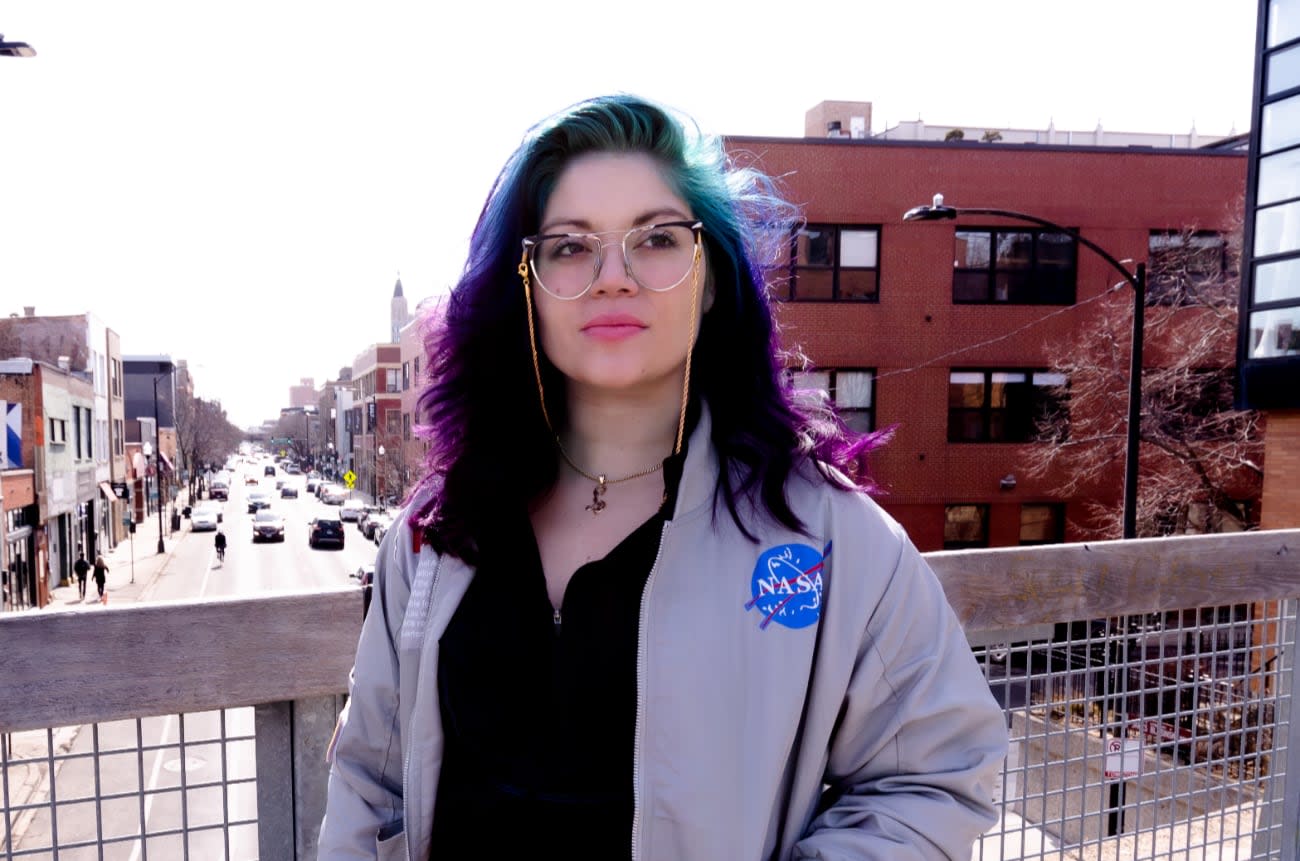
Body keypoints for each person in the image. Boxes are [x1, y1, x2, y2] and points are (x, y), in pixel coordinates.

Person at [319, 95, 1008, 860]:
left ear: (710, 280)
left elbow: (937, 776)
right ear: (528, 288)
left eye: (656, 238)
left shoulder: (828, 539)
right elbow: (369, 782)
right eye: (571, 247)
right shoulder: (435, 532)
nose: (613, 277)